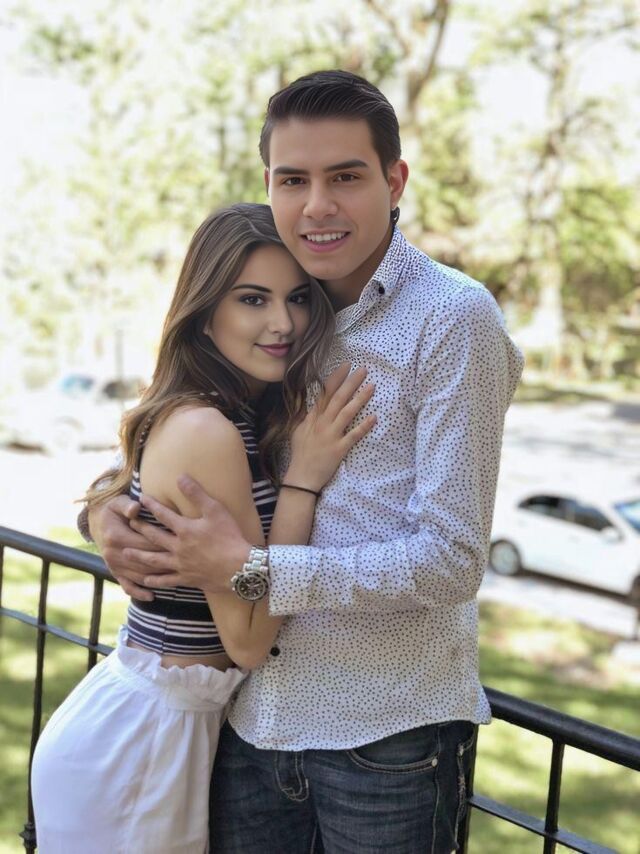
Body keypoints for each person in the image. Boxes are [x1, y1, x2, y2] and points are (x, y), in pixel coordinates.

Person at [85, 71, 524, 853]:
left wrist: (256, 572)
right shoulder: (287, 302)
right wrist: (108, 508)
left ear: (394, 182)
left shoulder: (453, 318)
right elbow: (195, 425)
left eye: (345, 177)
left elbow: (452, 559)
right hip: (251, 721)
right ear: (269, 186)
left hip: (386, 737)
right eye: (294, 180)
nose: (317, 205)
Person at [31, 202, 376, 854]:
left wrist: (102, 509)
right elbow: (247, 641)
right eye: (253, 299)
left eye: (298, 298)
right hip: (142, 746)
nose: (283, 323)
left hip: (168, 730)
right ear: (205, 311)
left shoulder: (234, 411)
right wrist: (303, 481)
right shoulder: (207, 428)